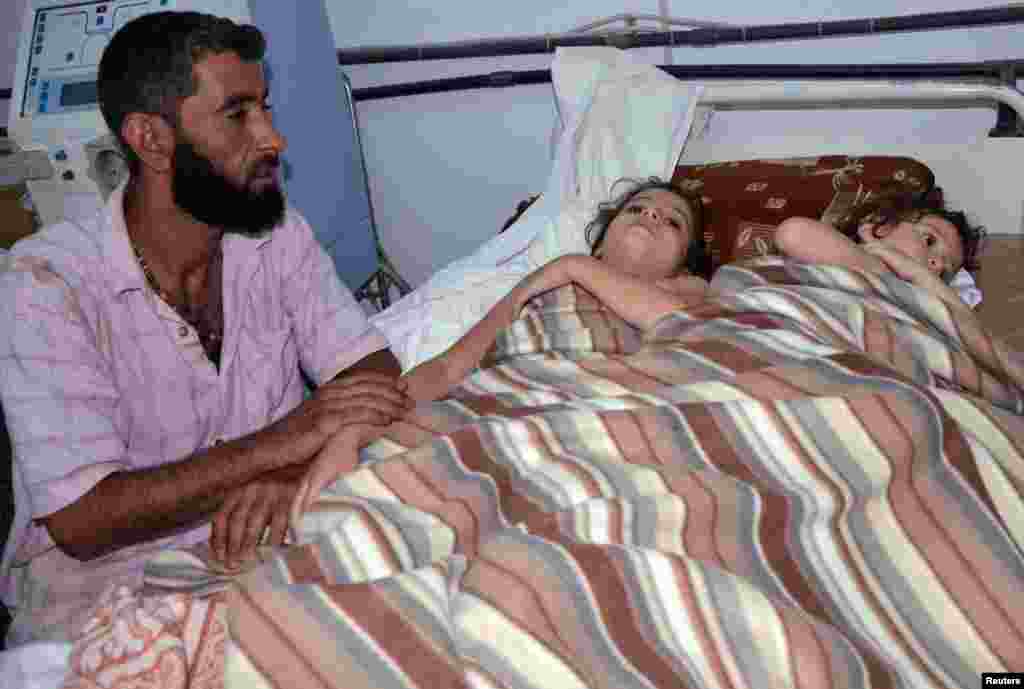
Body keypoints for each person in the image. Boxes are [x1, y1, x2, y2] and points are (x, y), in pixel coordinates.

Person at [0, 11, 410, 644]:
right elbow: (84, 521)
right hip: (100, 589)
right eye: (238, 114)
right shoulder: (44, 284)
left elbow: (373, 373)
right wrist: (291, 438)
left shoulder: (274, 236)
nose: (273, 139)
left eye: (266, 108)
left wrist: (285, 477)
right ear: (151, 140)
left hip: (262, 541)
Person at [292, 178, 711, 516]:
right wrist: (352, 435)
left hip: (588, 425)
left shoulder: (689, 291)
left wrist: (572, 265)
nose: (652, 214)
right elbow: (446, 371)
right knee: (352, 506)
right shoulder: (540, 292)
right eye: (636, 209)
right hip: (490, 412)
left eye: (673, 222)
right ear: (601, 242)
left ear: (684, 264)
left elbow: (677, 323)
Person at [773, 192, 984, 286]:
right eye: (929, 241)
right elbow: (792, 233)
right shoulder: (831, 248)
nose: (937, 265)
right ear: (880, 227)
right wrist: (885, 275)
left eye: (945, 273)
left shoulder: (924, 306)